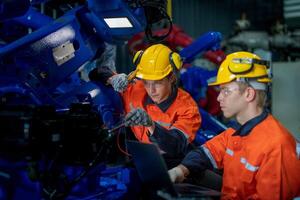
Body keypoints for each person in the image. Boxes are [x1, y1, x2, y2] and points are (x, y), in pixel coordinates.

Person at [168, 51, 300, 199]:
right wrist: (180, 170)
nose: (218, 97)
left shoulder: (276, 146)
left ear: (249, 94)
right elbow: (206, 153)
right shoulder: (236, 132)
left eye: (226, 91)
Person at [97, 44, 201, 166]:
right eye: (146, 82)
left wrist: (150, 124)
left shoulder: (188, 108)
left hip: (175, 165)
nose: (151, 90)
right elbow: (97, 72)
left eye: (158, 83)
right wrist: (113, 79)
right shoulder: (135, 90)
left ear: (172, 78)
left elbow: (175, 146)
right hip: (143, 159)